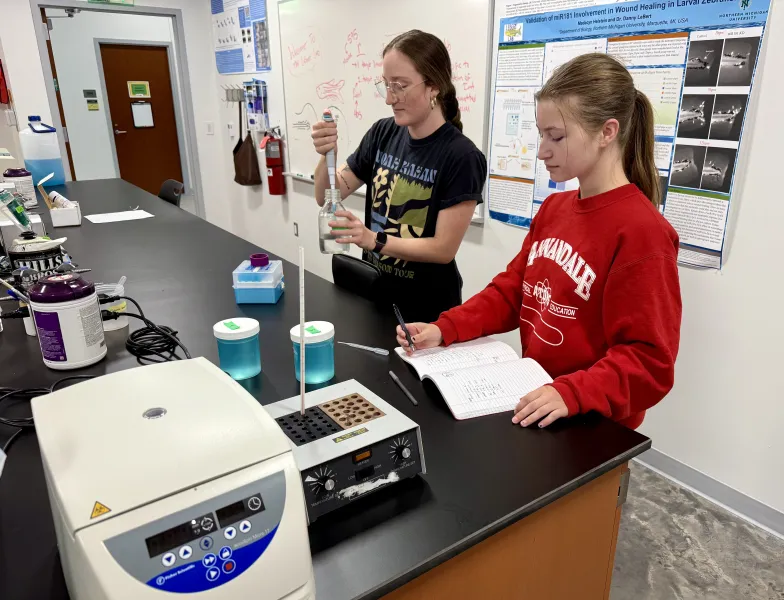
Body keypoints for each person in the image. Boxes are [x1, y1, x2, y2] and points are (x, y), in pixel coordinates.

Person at [396, 53, 682, 430]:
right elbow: (513, 291)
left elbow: (649, 361)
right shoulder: (555, 208)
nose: (543, 150)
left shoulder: (643, 233)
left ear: (607, 132)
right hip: (537, 399)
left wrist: (572, 393)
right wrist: (444, 328)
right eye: (542, 134)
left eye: (557, 137)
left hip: (590, 422)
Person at [311, 30, 487, 323]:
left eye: (401, 86)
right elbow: (327, 195)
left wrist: (374, 240)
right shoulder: (383, 132)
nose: (390, 98)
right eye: (386, 85)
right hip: (375, 293)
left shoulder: (462, 157)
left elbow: (443, 248)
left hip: (425, 309)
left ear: (433, 87)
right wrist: (325, 155)